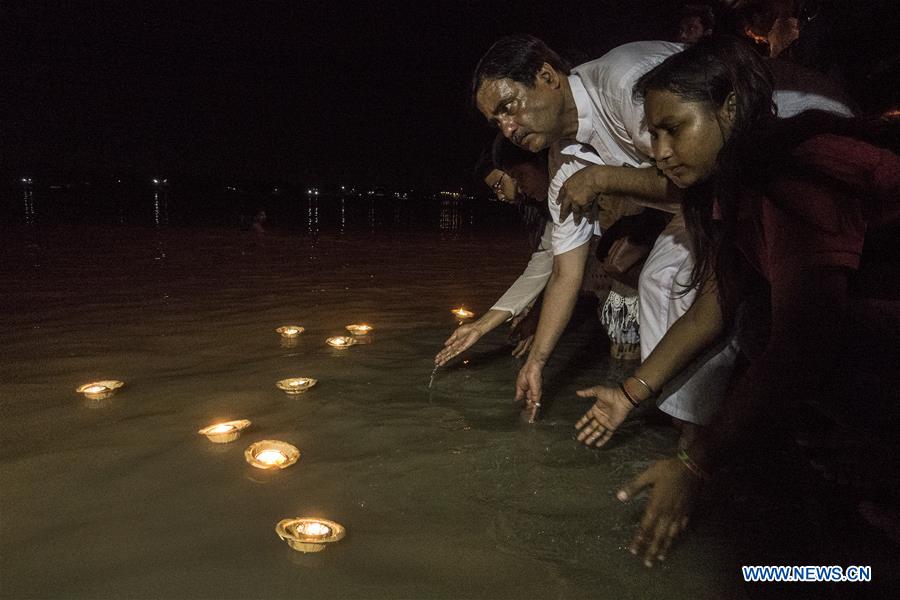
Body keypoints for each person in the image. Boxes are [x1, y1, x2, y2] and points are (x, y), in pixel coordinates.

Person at [576, 35, 899, 566]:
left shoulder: (795, 176)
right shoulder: (735, 189)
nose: (658, 152)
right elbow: (715, 302)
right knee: (750, 318)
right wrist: (628, 395)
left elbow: (805, 339)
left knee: (771, 332)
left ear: (729, 107)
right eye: (653, 134)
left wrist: (696, 462)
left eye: (673, 129)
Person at [435, 136, 553, 366]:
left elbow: (560, 269)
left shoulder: (567, 184)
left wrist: (538, 318)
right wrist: (480, 327)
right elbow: (544, 263)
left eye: (499, 184)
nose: (499, 195)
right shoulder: (544, 211)